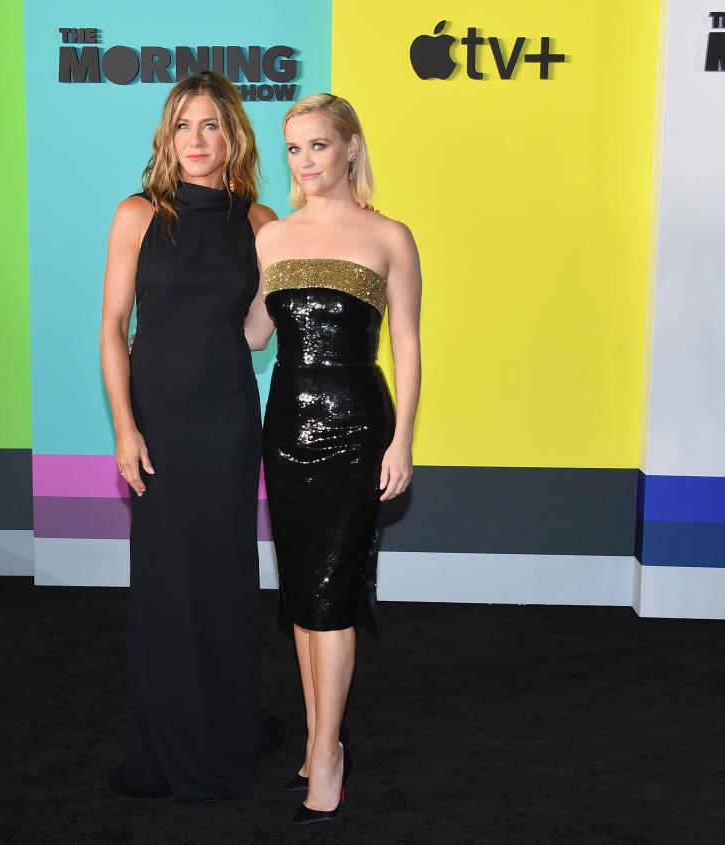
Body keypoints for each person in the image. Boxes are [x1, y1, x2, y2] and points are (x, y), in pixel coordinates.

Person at [98, 71, 277, 800]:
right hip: (160, 421)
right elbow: (113, 328)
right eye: (183, 126)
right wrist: (125, 427)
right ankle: (170, 739)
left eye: (210, 126)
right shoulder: (138, 214)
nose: (197, 140)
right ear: (166, 138)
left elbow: (258, 331)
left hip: (228, 416)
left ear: (232, 135)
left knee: (227, 577)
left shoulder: (261, 222)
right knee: (168, 581)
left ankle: (229, 729)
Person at [245, 93, 422, 825]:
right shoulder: (273, 237)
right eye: (293, 149)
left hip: (356, 425)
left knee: (331, 591)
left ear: (350, 147)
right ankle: (322, 740)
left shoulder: (389, 235)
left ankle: (326, 756)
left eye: (318, 145)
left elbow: (407, 343)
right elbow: (255, 334)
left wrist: (403, 437)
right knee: (300, 596)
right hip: (284, 423)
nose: (305, 162)